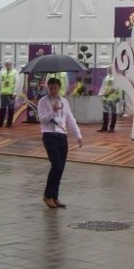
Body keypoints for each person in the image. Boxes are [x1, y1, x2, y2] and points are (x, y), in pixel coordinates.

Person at [38, 77, 83, 208]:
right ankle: (47, 196)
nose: (53, 91)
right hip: (49, 135)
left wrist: (78, 135)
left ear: (59, 88)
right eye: (50, 88)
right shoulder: (43, 102)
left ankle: (54, 196)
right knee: (56, 165)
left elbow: (70, 119)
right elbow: (42, 119)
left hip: (62, 136)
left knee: (61, 168)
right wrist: (53, 111)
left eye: (55, 88)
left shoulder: (64, 102)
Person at [0, 59, 18, 128]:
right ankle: (0, 123)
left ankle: (9, 123)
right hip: (3, 93)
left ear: (11, 65)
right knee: (2, 109)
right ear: (5, 65)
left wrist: (15, 92)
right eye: (6, 64)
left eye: (9, 64)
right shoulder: (2, 72)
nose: (8, 66)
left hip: (11, 94)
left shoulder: (15, 72)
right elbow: (0, 83)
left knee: (11, 109)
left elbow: (17, 83)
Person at [98, 66, 121, 132]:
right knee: (105, 112)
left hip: (113, 98)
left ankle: (112, 127)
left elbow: (115, 88)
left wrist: (107, 93)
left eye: (111, 68)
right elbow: (103, 86)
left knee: (114, 112)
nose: (109, 69)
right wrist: (101, 94)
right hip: (106, 98)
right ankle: (104, 127)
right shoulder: (106, 78)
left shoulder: (116, 77)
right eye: (109, 68)